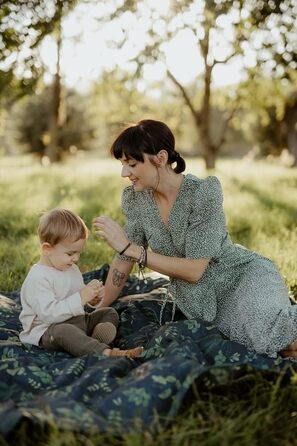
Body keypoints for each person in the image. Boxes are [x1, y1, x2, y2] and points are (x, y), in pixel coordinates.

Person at [93, 118, 296, 359]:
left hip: (241, 276)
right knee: (270, 346)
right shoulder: (137, 199)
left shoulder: (203, 193)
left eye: (132, 164)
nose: (124, 173)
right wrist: (100, 306)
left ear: (160, 158)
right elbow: (123, 260)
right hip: (198, 301)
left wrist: (131, 247)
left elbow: (194, 270)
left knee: (271, 337)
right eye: (124, 164)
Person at [19, 208, 143, 358]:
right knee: (64, 332)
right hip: (48, 330)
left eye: (79, 252)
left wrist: (93, 299)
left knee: (109, 312)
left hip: (77, 321)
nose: (76, 258)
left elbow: (79, 299)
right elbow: (49, 315)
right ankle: (107, 352)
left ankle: (90, 341)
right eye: (70, 253)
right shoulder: (38, 278)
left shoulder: (70, 267)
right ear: (47, 249)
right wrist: (81, 297)